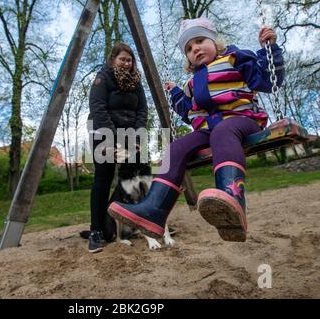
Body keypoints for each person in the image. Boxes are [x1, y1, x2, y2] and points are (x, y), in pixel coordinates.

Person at [108, 17, 284, 242]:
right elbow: (189, 113)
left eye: (200, 40)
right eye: (189, 48)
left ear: (215, 41)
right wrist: (175, 94)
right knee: (176, 148)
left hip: (242, 120)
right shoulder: (192, 83)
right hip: (210, 130)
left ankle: (232, 197)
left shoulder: (235, 58)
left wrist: (270, 49)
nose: (195, 49)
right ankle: (154, 210)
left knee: (223, 131)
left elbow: (270, 81)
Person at [87, 42, 148, 253]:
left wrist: (137, 136)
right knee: (103, 179)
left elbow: (142, 110)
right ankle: (96, 231)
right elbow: (98, 108)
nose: (126, 63)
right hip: (103, 133)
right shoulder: (103, 78)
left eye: (129, 60)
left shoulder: (136, 82)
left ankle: (120, 221)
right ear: (113, 60)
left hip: (129, 134)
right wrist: (111, 140)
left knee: (134, 177)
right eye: (122, 59)